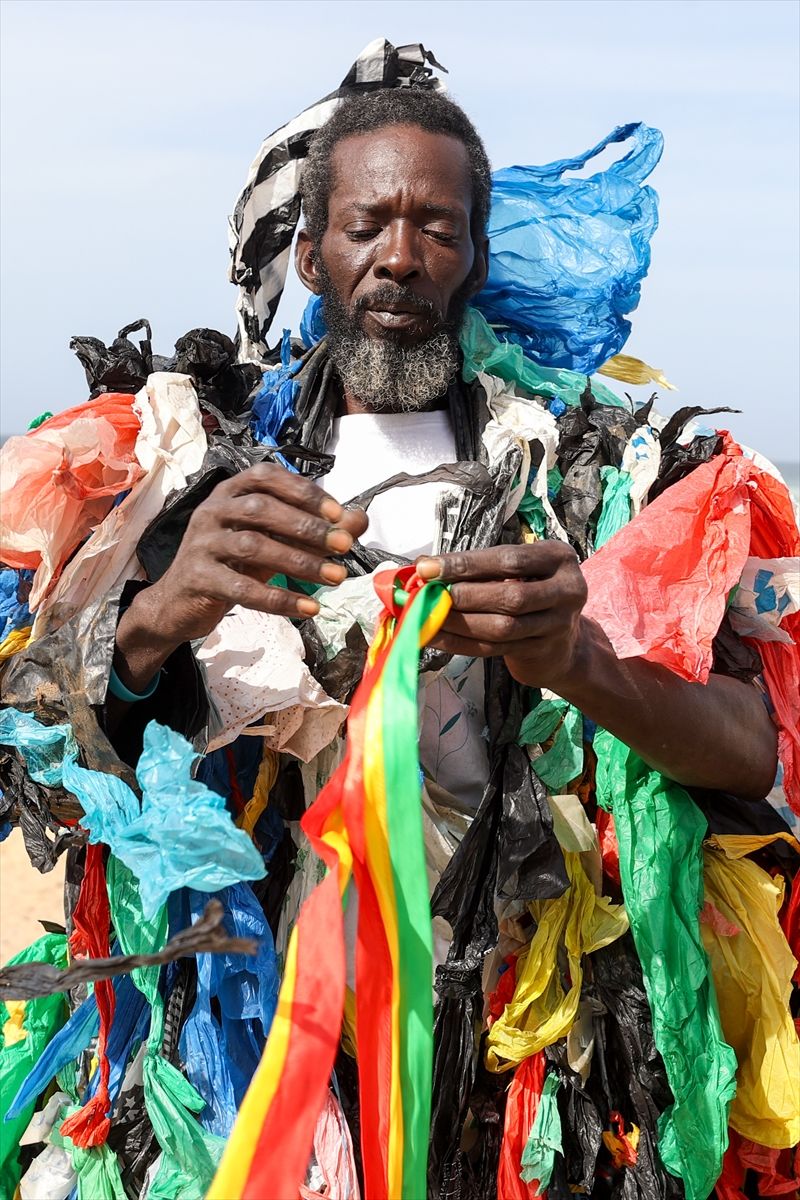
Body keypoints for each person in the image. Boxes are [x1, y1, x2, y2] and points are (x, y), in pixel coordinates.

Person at [1, 42, 798, 1200]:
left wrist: (577, 664)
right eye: (367, 223)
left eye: (437, 226)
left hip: (531, 1037)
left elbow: (754, 750)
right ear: (311, 249)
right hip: (264, 1021)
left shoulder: (598, 477)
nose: (401, 257)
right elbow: (44, 766)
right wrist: (160, 615)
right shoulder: (184, 466)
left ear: (474, 254)